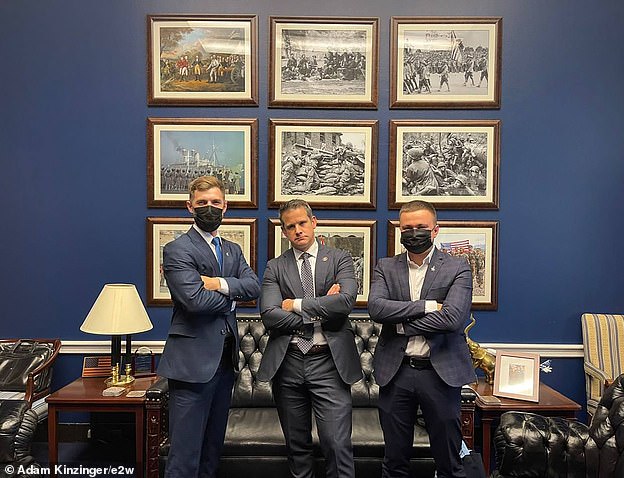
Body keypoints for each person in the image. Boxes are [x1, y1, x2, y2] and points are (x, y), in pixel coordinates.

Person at [157, 175, 261, 478]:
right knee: (184, 457)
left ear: (226, 206)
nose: (209, 208)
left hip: (225, 363)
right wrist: (232, 298)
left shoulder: (232, 249)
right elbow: (193, 301)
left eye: (216, 202)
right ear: (190, 206)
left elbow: (253, 286)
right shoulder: (177, 249)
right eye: (202, 203)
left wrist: (217, 284)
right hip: (191, 366)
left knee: (211, 451)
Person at [367, 200, 475, 478]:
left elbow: (452, 319)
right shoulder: (385, 266)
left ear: (435, 230)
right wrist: (427, 306)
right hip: (396, 372)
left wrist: (400, 323)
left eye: (421, 227)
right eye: (407, 228)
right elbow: (377, 308)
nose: (414, 233)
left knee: (449, 462)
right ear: (399, 231)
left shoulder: (458, 267)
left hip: (440, 374)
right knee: (394, 462)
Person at [257, 199, 362, 478]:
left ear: (313, 222)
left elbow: (345, 302)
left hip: (329, 362)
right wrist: (321, 306)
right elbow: (269, 315)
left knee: (337, 445)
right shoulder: (274, 267)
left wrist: (296, 304)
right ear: (284, 232)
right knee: (297, 448)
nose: (298, 230)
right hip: (288, 362)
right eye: (290, 227)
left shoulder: (339, 259)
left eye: (302, 223)